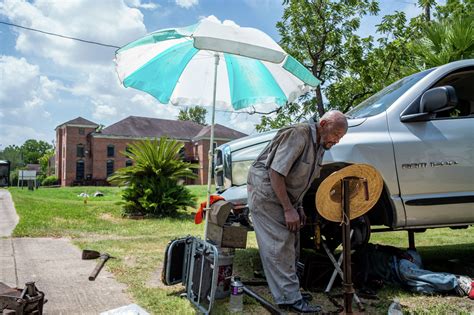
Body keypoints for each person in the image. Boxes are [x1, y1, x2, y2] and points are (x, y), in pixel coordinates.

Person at [247, 110, 348, 313]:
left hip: (285, 195)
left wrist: (298, 207)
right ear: (323, 123)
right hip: (267, 191)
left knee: (293, 242)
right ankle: (288, 298)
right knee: (280, 243)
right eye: (336, 134)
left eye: (340, 137)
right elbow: (275, 172)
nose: (337, 140)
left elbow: (301, 181)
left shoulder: (320, 145)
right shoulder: (299, 133)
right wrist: (287, 208)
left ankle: (291, 291)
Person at [353, 243, 474, 298]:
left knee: (407, 273)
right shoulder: (357, 276)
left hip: (403, 261)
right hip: (401, 278)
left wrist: (400, 253)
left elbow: (381, 247)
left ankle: (459, 281)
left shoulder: (363, 251)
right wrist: (374, 283)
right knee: (418, 288)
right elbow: (371, 283)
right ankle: (456, 289)